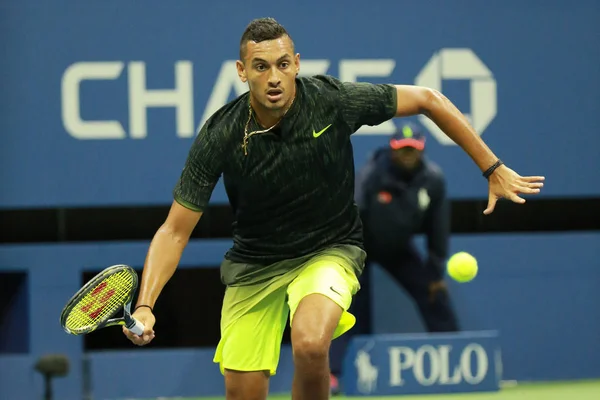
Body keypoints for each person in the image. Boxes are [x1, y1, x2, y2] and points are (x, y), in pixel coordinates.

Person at [121, 17, 545, 400]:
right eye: (261, 66)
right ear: (242, 71)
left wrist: (491, 167)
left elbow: (429, 100)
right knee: (244, 392)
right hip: (254, 266)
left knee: (309, 342)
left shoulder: (331, 101)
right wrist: (144, 303)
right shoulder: (221, 135)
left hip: (330, 248)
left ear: (297, 64)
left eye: (283, 64)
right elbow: (174, 231)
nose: (274, 77)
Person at [328, 122, 460, 392]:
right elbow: (351, 213)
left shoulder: (432, 179)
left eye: (413, 149)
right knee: (350, 310)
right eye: (402, 149)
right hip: (360, 247)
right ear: (392, 149)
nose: (408, 154)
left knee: (434, 293)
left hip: (399, 248)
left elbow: (438, 228)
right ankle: (334, 375)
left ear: (422, 150)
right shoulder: (371, 174)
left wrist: (435, 272)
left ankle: (455, 361)